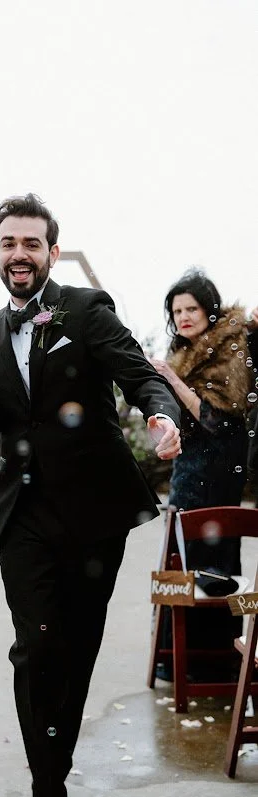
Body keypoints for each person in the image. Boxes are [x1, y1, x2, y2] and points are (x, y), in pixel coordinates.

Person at [0, 193, 181, 797]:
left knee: (76, 652)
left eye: (31, 243)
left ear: (51, 252)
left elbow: (137, 375)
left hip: (95, 515)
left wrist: (159, 415)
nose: (19, 254)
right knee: (35, 650)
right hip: (24, 518)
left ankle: (51, 768)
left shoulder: (85, 310)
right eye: (9, 242)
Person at [150, 269, 258, 680]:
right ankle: (173, 656)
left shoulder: (230, 349)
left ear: (208, 310)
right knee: (178, 562)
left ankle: (220, 657)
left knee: (221, 566)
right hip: (188, 472)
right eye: (176, 311)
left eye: (191, 309)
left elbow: (217, 420)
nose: (183, 317)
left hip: (219, 472)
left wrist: (172, 379)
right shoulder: (184, 351)